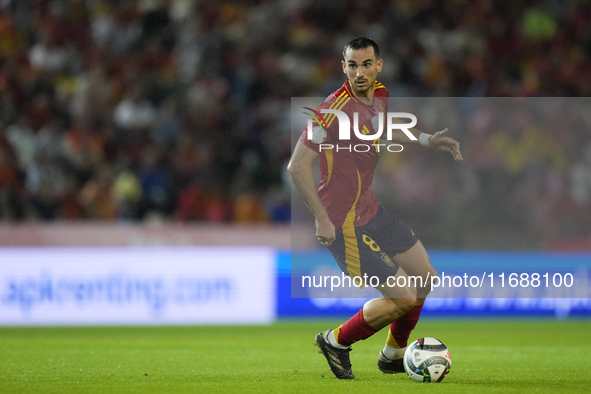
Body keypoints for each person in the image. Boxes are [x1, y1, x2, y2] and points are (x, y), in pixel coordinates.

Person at [287, 36, 463, 379]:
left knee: (425, 279)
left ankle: (392, 356)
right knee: (403, 298)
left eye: (367, 64)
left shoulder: (380, 94)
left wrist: (427, 140)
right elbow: (296, 165)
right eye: (353, 65)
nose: (360, 72)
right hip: (341, 222)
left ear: (378, 65)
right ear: (344, 68)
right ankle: (335, 341)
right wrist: (321, 218)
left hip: (371, 208)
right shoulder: (330, 111)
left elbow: (382, 129)